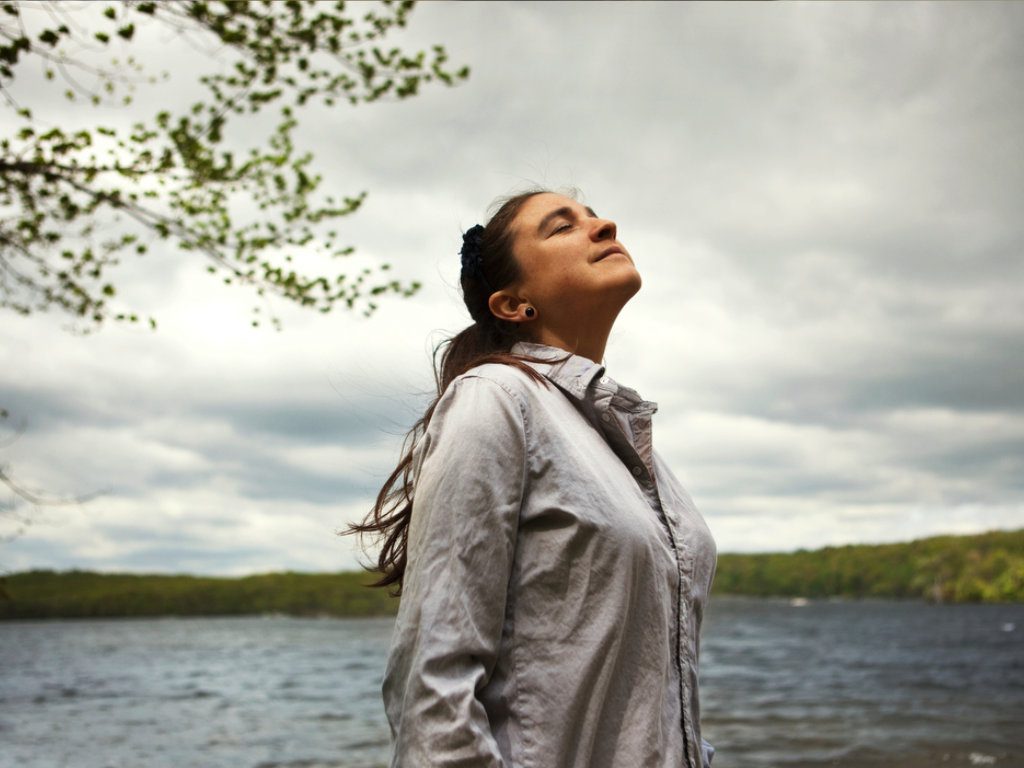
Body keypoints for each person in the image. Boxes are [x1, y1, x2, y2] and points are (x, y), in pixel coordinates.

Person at [350, 189, 718, 768]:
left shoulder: (626, 441)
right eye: (561, 226)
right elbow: (431, 692)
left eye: (593, 215)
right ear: (513, 302)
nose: (602, 225)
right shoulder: (496, 399)